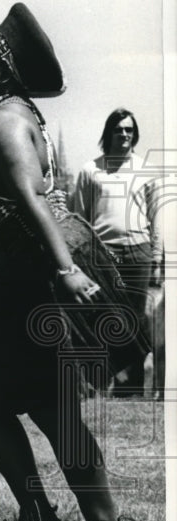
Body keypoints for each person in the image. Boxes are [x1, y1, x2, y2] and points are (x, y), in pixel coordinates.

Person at [0, 3, 142, 521]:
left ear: (2, 69)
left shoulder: (5, 120)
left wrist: (66, 270)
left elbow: (31, 199)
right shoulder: (12, 114)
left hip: (28, 291)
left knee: (52, 412)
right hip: (10, 289)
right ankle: (38, 517)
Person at [71, 109, 162, 396]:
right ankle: (95, 385)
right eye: (118, 130)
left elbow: (156, 217)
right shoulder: (90, 171)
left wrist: (157, 257)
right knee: (100, 317)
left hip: (138, 252)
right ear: (108, 133)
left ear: (135, 135)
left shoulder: (145, 170)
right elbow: (79, 217)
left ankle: (130, 388)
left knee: (135, 320)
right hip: (102, 254)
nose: (124, 135)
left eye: (129, 130)